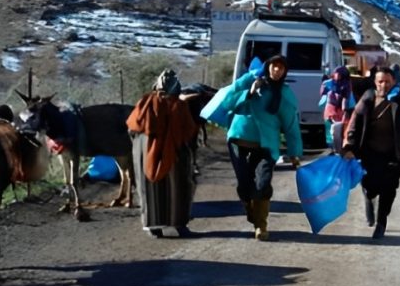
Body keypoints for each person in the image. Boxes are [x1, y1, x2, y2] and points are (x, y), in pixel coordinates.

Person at [219, 55, 303, 240]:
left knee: (263, 184)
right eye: (274, 66)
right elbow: (228, 103)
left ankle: (261, 225)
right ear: (268, 67)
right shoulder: (249, 80)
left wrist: (294, 153)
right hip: (239, 142)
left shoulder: (284, 92)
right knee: (244, 186)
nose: (277, 71)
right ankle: (252, 214)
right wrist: (248, 92)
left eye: (281, 68)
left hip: (266, 145)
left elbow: (290, 124)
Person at [126, 69, 199, 237]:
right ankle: (178, 224)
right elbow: (188, 131)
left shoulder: (145, 102)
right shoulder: (179, 106)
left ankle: (153, 226)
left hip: (145, 154)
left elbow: (132, 126)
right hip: (175, 155)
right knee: (178, 188)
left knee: (149, 191)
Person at [343, 66, 400, 239]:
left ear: (394, 82)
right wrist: (350, 147)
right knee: (371, 186)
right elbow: (354, 125)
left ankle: (381, 223)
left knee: (389, 190)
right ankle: (369, 198)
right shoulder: (367, 101)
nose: (384, 85)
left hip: (393, 154)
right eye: (381, 81)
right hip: (369, 154)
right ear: (375, 82)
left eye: (388, 81)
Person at [319, 66, 356, 153]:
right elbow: (323, 93)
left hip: (342, 109)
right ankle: (333, 146)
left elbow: (346, 98)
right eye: (336, 73)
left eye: (338, 74)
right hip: (332, 108)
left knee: (342, 128)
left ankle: (340, 146)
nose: (336, 75)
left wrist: (344, 109)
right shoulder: (330, 83)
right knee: (331, 128)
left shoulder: (345, 84)